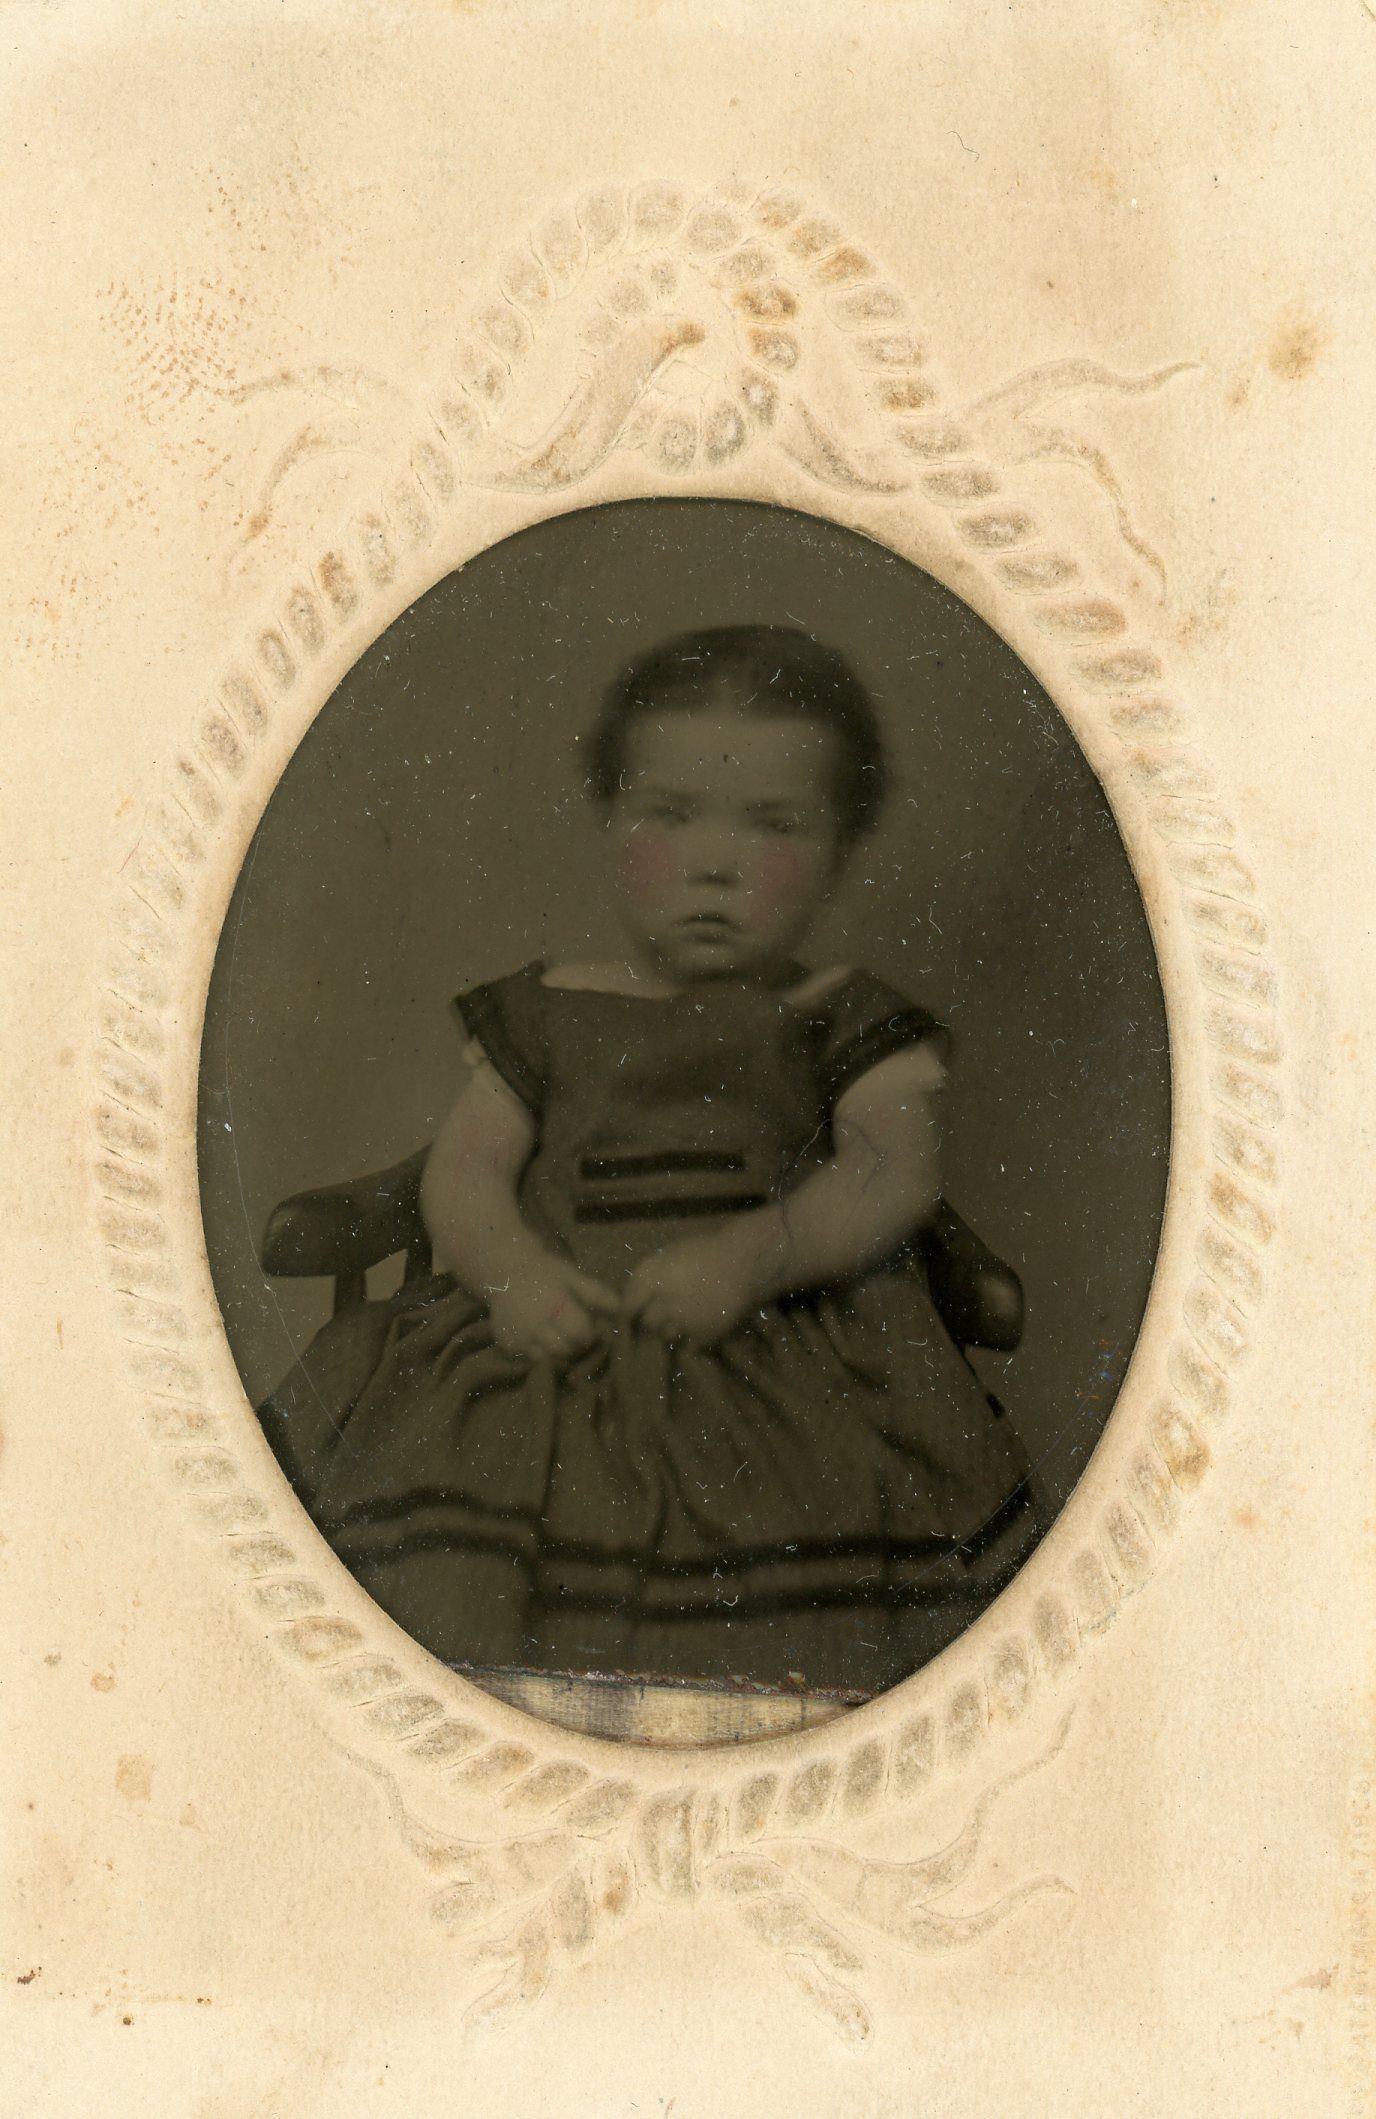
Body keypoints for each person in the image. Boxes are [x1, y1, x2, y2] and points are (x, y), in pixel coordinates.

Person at [260, 624, 1040, 1695]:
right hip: (553, 1336)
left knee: (810, 1533)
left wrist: (754, 1257)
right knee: (453, 1500)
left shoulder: (841, 1017)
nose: (715, 861)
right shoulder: (548, 1010)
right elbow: (466, 1172)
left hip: (776, 1352)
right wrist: (511, 1274)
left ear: (839, 847)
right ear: (610, 823)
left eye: (773, 824)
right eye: (669, 814)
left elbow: (890, 1172)